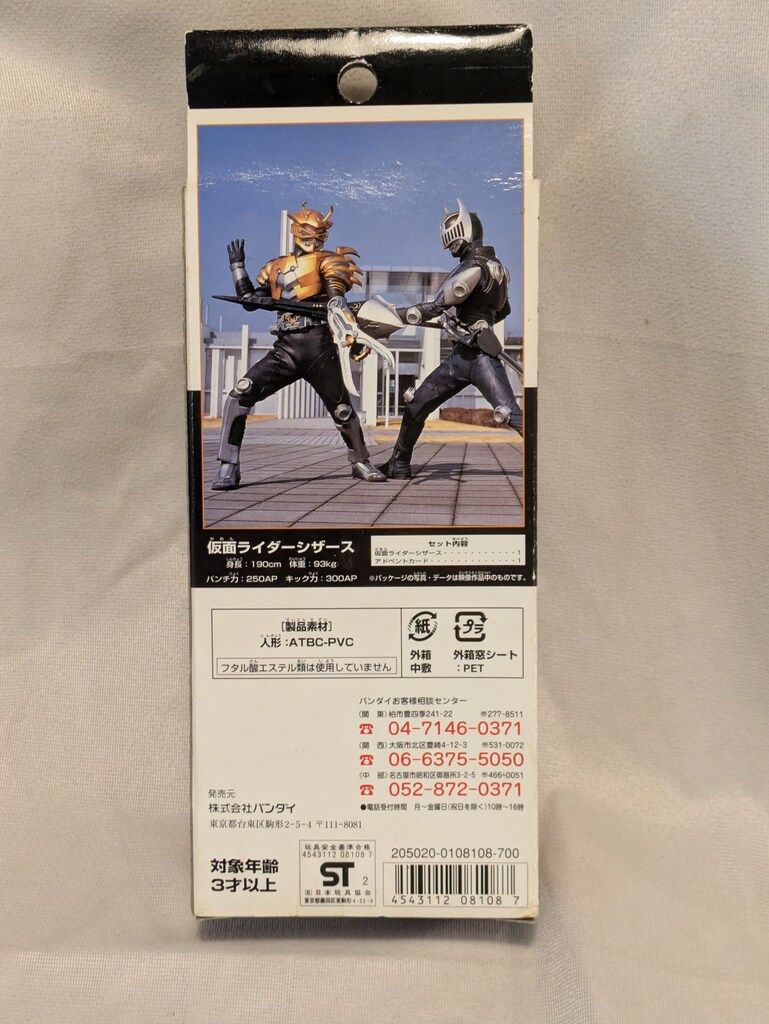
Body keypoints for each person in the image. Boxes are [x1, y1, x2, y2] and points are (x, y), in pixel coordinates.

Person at [213, 202, 387, 490]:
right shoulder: (275, 266)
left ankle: (360, 461)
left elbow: (336, 297)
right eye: (308, 233)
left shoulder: (327, 261)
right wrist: (238, 268)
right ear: (296, 231)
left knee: (342, 410)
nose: (313, 240)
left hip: (318, 346)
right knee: (239, 396)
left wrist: (345, 320)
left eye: (320, 235)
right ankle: (228, 465)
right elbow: (249, 301)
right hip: (286, 348)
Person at [379, 199, 523, 479]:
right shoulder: (499, 269)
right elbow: (503, 310)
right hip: (464, 356)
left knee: (510, 413)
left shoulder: (474, 267)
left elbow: (436, 307)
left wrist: (397, 315)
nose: (450, 248)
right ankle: (398, 463)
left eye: (452, 242)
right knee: (417, 404)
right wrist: (475, 323)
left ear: (464, 232)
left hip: (477, 357)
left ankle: (551, 461)